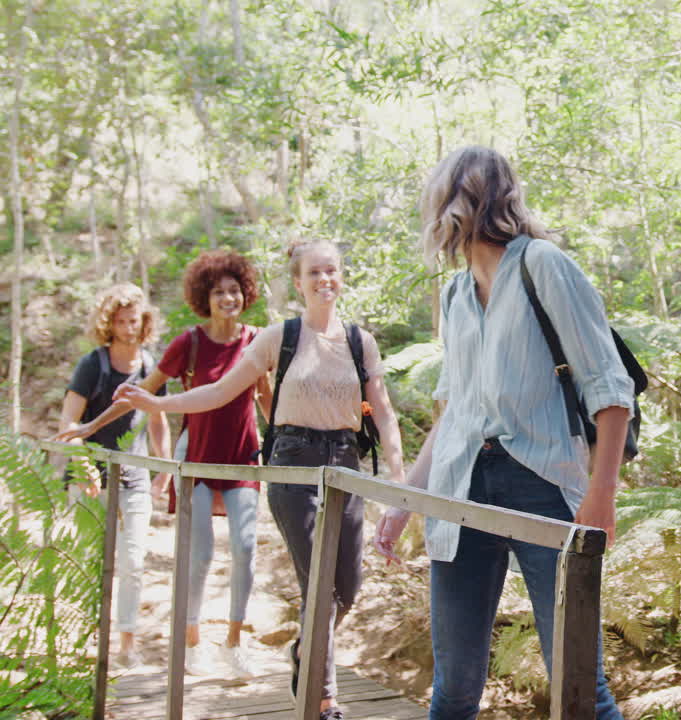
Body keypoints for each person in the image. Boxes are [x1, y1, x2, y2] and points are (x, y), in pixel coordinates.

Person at [373, 145, 631, 720]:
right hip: (460, 490)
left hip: (541, 484)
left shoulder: (543, 265)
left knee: (580, 683)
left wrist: (601, 494)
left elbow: (610, 389)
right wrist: (405, 501)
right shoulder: (455, 295)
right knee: (454, 688)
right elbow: (454, 415)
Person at [116, 239, 406, 720]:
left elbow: (386, 412)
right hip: (293, 462)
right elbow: (220, 390)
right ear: (298, 282)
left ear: (341, 275)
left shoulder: (360, 341)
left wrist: (399, 479)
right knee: (318, 586)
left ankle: (302, 650)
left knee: (347, 589)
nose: (323, 280)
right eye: (313, 273)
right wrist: (160, 404)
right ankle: (322, 697)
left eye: (330, 270)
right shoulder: (278, 337)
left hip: (345, 462)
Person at [58, 250, 273, 679]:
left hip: (242, 454)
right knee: (200, 554)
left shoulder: (256, 340)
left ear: (244, 294)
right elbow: (140, 396)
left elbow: (267, 400)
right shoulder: (188, 343)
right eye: (218, 292)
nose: (227, 298)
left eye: (234, 291)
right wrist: (87, 429)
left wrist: (289, 440)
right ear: (205, 297)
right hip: (195, 455)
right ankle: (192, 644)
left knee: (246, 549)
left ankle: (234, 641)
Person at [56, 283, 171, 669]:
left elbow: (157, 419)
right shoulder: (94, 364)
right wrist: (83, 466)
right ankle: (87, 640)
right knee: (88, 562)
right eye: (120, 321)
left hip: (134, 477)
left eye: (133, 320)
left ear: (144, 322)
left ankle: (126, 643)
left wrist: (164, 469)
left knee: (134, 561)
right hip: (89, 475)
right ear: (109, 323)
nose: (127, 328)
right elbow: (69, 421)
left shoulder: (151, 366)